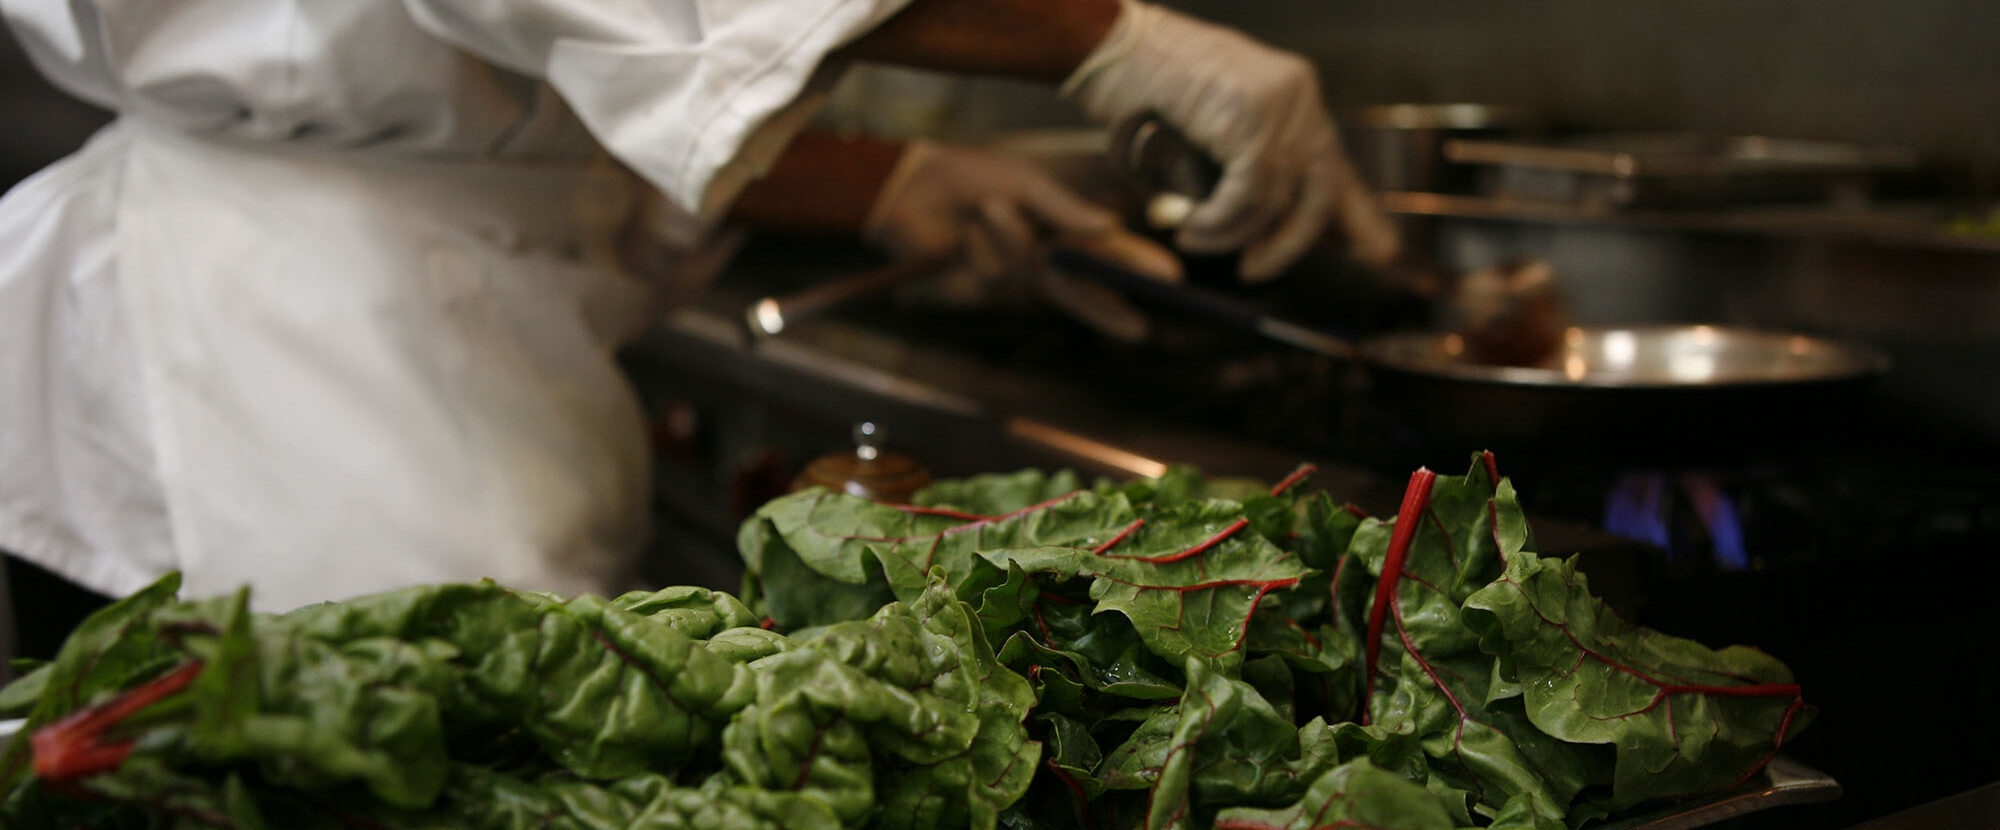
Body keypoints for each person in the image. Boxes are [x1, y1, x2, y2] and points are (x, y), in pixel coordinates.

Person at [0, 0, 1398, 621]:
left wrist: (886, 179)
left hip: (414, 334)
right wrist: (1105, 39)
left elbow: (479, 97)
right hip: (270, 389)